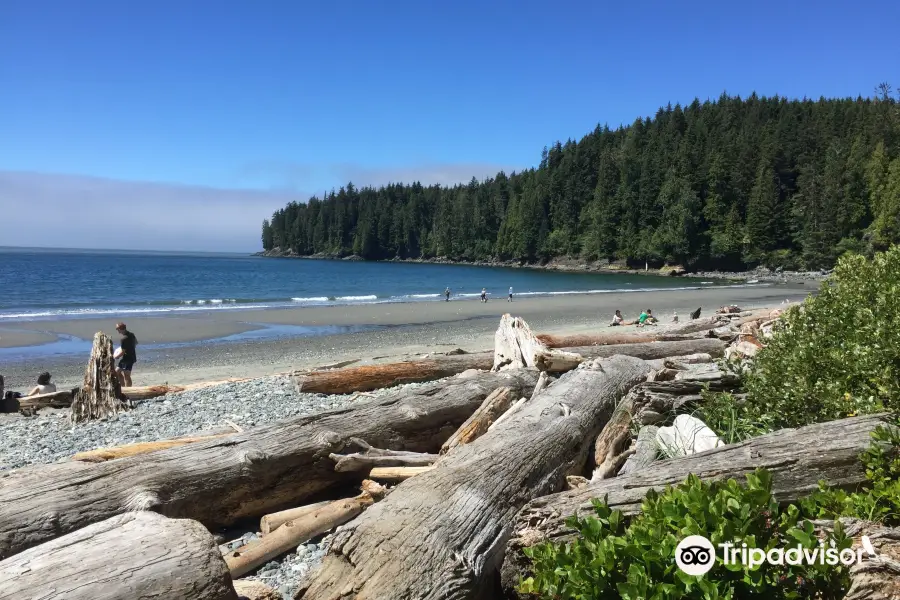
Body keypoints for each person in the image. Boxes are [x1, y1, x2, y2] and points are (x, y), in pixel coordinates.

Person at [115, 322, 138, 387]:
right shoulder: (132, 334)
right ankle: (123, 387)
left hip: (128, 358)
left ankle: (128, 390)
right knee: (117, 372)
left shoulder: (123, 339)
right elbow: (136, 343)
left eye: (117, 329)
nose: (117, 331)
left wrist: (116, 356)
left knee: (126, 375)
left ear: (120, 329)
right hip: (131, 357)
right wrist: (130, 348)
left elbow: (122, 352)